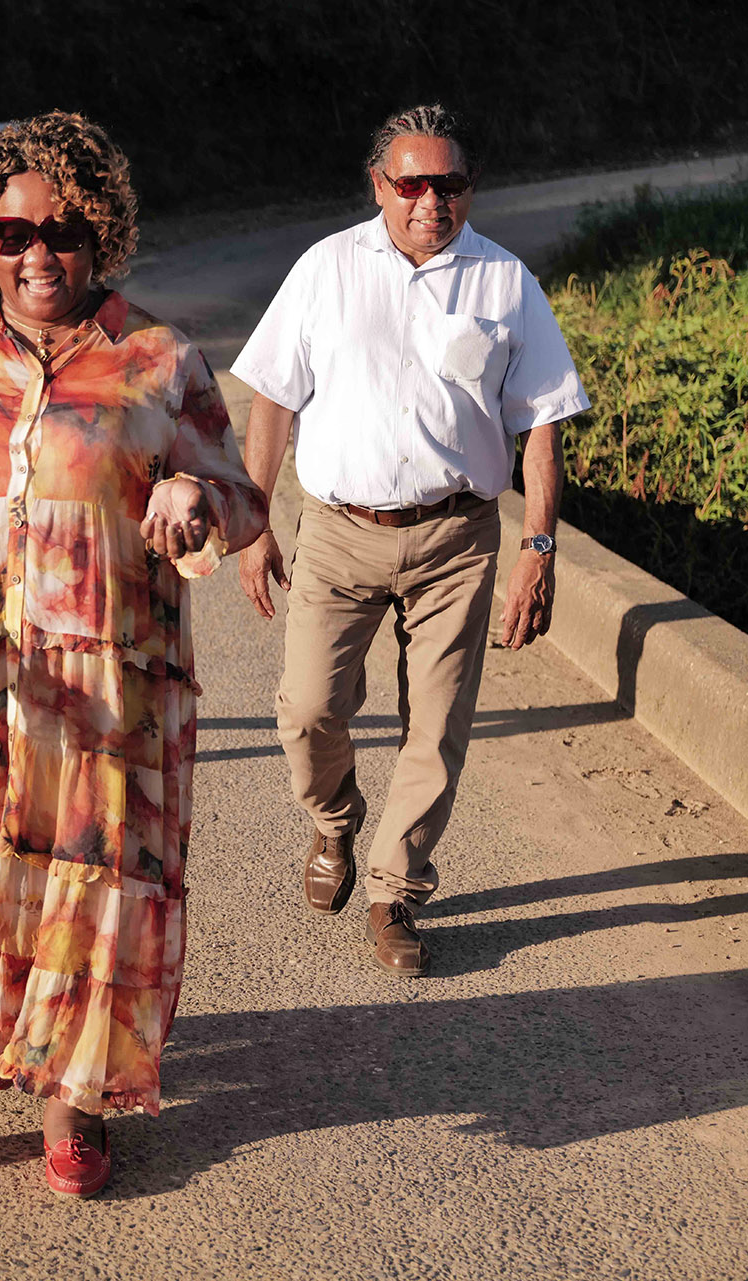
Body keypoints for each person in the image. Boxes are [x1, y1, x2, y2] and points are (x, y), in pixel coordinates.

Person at [0, 111, 265, 1197]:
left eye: (64, 232)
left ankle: (74, 1098)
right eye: (13, 232)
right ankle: (4, 1042)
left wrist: (191, 494)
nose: (38, 255)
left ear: (101, 236)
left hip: (104, 685)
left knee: (90, 887)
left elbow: (245, 503)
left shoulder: (158, 359)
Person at [230, 103, 588, 978]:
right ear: (379, 186)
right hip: (342, 532)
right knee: (308, 708)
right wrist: (252, 520)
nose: (431, 199)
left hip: (458, 539)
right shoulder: (325, 269)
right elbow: (273, 398)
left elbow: (541, 423)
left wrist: (537, 551)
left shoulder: (505, 283)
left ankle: (396, 888)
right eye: (412, 182)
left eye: (449, 184)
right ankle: (335, 821)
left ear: (470, 190)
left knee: (437, 725)